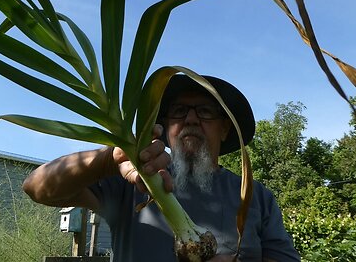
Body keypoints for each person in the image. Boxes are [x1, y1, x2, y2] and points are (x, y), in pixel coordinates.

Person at [23, 75, 300, 262]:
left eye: (204, 111)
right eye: (179, 111)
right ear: (165, 128)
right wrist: (111, 158)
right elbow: (36, 187)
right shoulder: (131, 182)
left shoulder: (255, 195)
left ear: (225, 128)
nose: (191, 119)